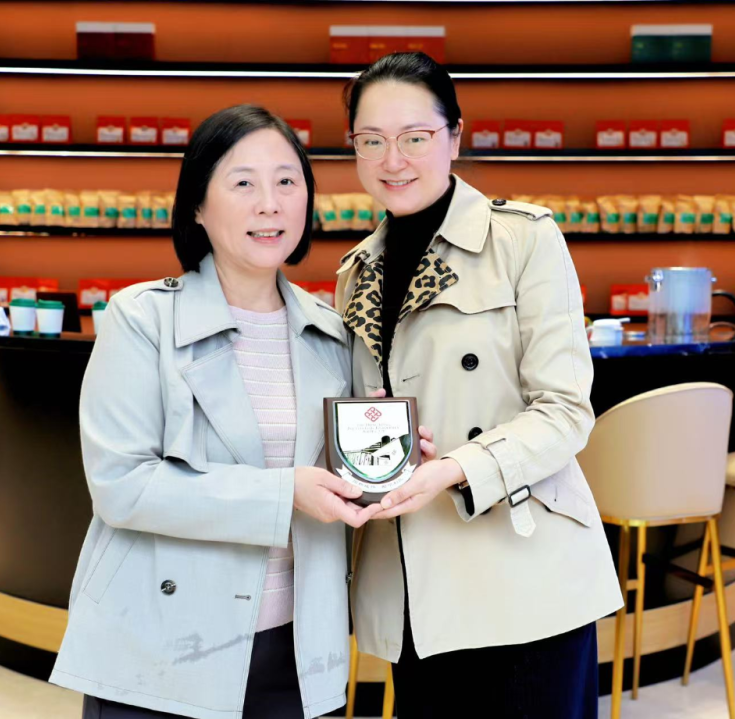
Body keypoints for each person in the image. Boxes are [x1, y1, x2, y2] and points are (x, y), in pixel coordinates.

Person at [49, 105, 399, 719]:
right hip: (161, 645)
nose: (270, 204)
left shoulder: (333, 333)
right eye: (243, 183)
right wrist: (285, 492)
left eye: (287, 181)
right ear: (197, 206)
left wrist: (385, 457)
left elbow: (337, 484)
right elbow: (122, 486)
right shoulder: (143, 319)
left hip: (297, 649)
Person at [336, 53, 623, 719]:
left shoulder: (522, 239)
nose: (392, 160)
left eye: (415, 137)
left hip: (521, 571)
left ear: (455, 137)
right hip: (415, 586)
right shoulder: (356, 272)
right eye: (370, 140)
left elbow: (565, 411)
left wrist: (457, 467)